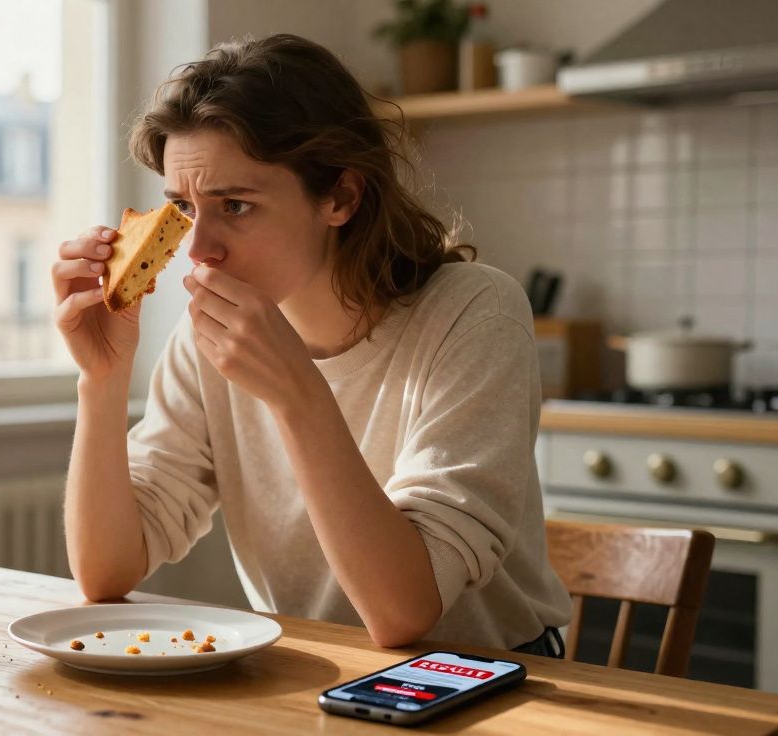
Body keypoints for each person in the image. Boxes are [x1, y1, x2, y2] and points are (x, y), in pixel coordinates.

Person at [51, 33, 571, 655]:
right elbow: (105, 572)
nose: (198, 249)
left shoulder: (473, 314)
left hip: (487, 681)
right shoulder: (207, 340)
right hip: (312, 674)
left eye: (236, 205)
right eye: (183, 210)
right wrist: (101, 381)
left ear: (340, 197)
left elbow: (405, 614)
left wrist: (299, 394)